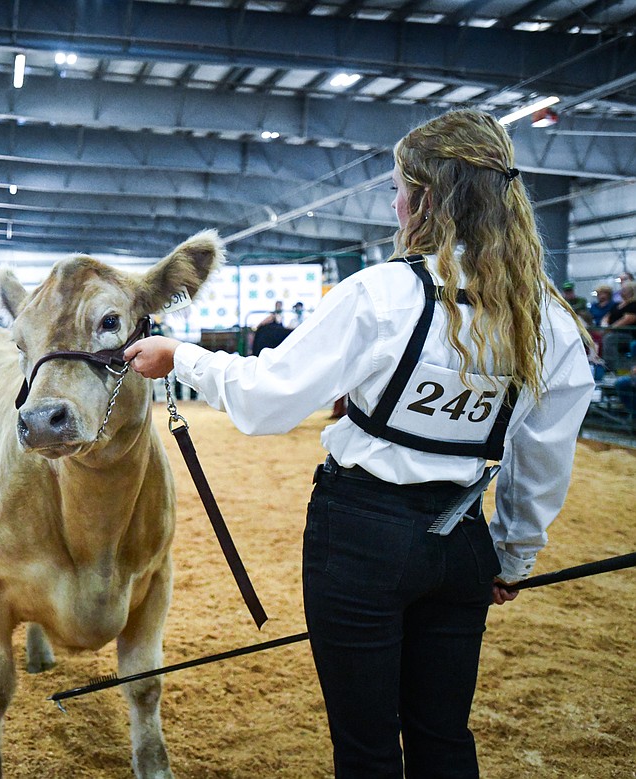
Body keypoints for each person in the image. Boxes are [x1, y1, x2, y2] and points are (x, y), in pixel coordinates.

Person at [124, 109, 594, 778]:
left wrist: (184, 357)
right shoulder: (548, 318)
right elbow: (543, 459)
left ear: (426, 197)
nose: (394, 202)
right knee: (444, 735)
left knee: (369, 745)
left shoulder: (381, 295)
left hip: (362, 538)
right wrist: (512, 555)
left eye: (398, 186)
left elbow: (264, 401)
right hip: (462, 540)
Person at [601, 281, 636, 370]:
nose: (621, 291)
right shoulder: (616, 304)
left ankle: (611, 367)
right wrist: (604, 326)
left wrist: (611, 328)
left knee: (610, 339)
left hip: (628, 334)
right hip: (612, 332)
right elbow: (607, 316)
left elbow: (627, 319)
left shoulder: (633, 305)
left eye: (624, 290)